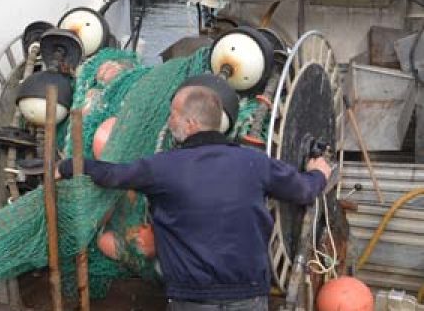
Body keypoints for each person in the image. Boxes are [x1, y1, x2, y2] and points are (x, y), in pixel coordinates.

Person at [58, 85, 331, 311]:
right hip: (249, 298)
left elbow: (112, 175)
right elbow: (304, 190)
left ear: (190, 123)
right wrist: (319, 173)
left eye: (173, 115)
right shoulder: (255, 163)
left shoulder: (162, 168)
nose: (169, 121)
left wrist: (67, 166)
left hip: (191, 299)